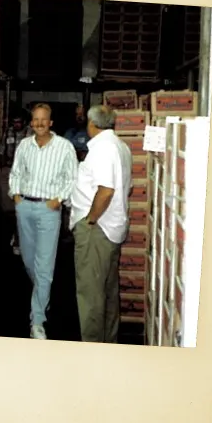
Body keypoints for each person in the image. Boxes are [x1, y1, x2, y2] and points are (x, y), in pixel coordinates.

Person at [8, 103, 79, 339]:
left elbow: (72, 178)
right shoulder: (24, 145)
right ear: (31, 122)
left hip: (49, 209)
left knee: (44, 266)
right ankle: (42, 294)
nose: (39, 123)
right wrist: (16, 196)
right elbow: (16, 172)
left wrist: (59, 199)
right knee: (29, 261)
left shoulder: (64, 146)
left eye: (43, 119)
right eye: (35, 119)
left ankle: (37, 320)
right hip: (25, 207)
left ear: (51, 122)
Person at [69, 105, 133, 344]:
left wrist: (90, 220)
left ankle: (92, 348)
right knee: (107, 291)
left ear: (91, 123)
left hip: (97, 230)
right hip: (110, 229)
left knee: (90, 294)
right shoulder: (121, 147)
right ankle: (108, 343)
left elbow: (106, 191)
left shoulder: (103, 149)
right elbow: (127, 187)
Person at [0, 113, 33, 255]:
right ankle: (13, 233)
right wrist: (2, 169)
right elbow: (2, 150)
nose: (16, 125)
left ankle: (20, 238)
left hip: (24, 173)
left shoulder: (30, 133)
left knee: (21, 206)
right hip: (9, 169)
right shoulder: (8, 132)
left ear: (24, 122)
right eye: (14, 122)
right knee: (8, 207)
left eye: (19, 122)